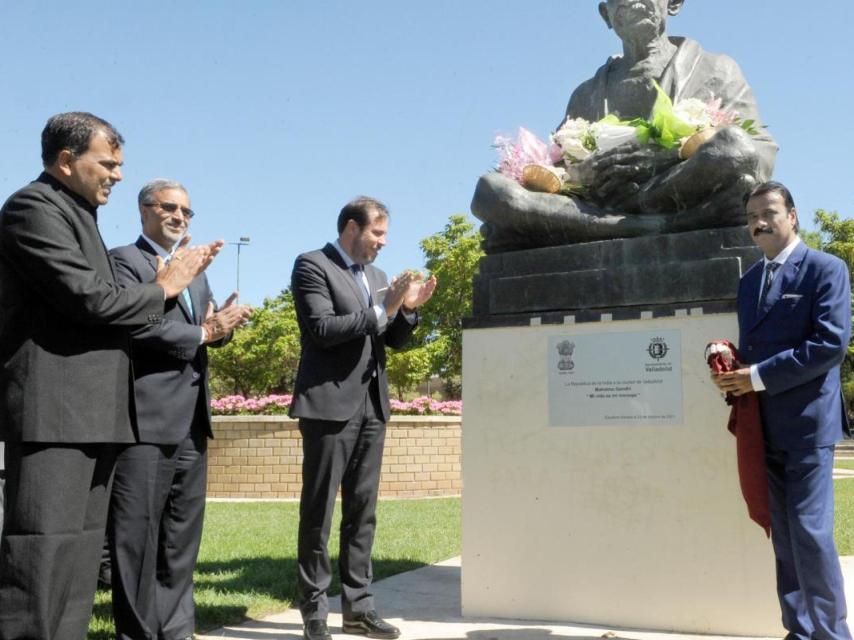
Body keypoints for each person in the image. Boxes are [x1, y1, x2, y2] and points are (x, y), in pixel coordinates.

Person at [0, 113, 219, 640]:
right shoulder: (33, 208)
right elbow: (90, 300)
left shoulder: (79, 215)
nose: (118, 176)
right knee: (42, 556)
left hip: (94, 416)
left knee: (75, 568)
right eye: (108, 163)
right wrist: (164, 288)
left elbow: (109, 307)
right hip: (53, 415)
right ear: (67, 160)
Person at [472, 0, 778, 251]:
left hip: (677, 191)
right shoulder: (585, 94)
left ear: (674, 3)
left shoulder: (715, 69)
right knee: (491, 190)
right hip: (601, 205)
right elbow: (559, 174)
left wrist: (662, 158)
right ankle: (652, 228)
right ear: (606, 14)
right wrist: (581, 173)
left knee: (734, 146)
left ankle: (637, 223)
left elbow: (758, 155)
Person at [107, 179, 252, 640]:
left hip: (192, 423)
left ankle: (176, 630)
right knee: (137, 538)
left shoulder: (196, 271)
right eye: (170, 208)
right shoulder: (123, 262)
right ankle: (138, 632)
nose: (180, 217)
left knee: (181, 539)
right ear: (144, 211)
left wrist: (220, 326)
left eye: (187, 212)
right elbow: (138, 325)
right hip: (145, 422)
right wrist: (204, 333)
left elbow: (199, 330)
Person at [290, 197, 436, 640]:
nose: (383, 243)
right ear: (352, 228)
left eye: (385, 235)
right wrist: (383, 310)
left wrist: (408, 310)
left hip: (373, 408)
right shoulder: (312, 265)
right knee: (318, 513)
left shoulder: (376, 278)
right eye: (378, 233)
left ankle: (358, 609)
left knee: (363, 513)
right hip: (328, 408)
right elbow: (321, 329)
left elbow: (395, 341)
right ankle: (315, 611)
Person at [713, 182, 851, 640]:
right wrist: (729, 365)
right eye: (752, 214)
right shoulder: (749, 281)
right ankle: (799, 629)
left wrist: (755, 376)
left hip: (809, 427)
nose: (759, 221)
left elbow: (830, 345)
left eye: (769, 211)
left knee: (811, 535)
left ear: (792, 216)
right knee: (786, 539)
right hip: (762, 429)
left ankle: (832, 635)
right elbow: (754, 350)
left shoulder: (826, 269)